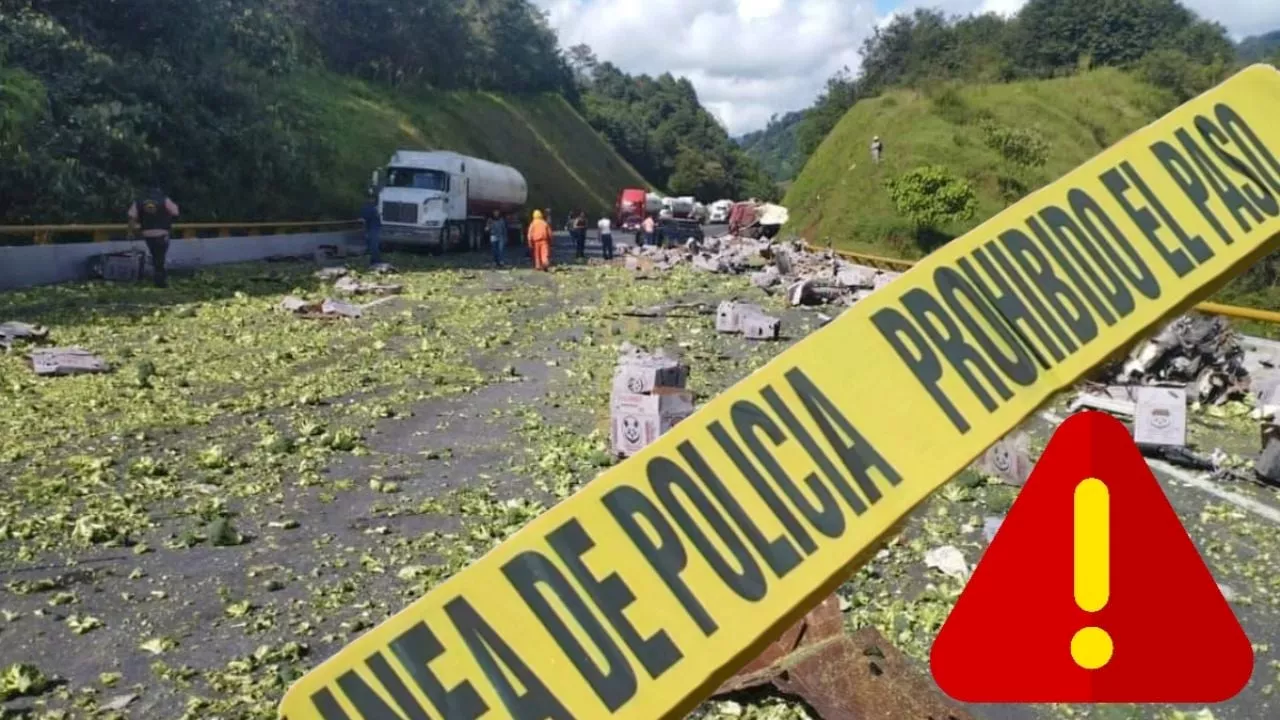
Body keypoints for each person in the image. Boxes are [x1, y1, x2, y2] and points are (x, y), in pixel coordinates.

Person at [127, 186, 180, 288]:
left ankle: (158, 278)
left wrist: (130, 232)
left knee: (156, 255)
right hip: (162, 232)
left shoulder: (139, 201)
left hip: (147, 233)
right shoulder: (164, 200)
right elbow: (175, 212)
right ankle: (160, 282)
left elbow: (132, 218)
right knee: (160, 257)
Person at [360, 194, 383, 265]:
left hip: (373, 228)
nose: (373, 200)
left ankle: (374, 260)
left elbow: (363, 220)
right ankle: (375, 260)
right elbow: (364, 220)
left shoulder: (370, 208)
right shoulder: (371, 208)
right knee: (373, 245)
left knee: (372, 245)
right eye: (372, 198)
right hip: (373, 228)